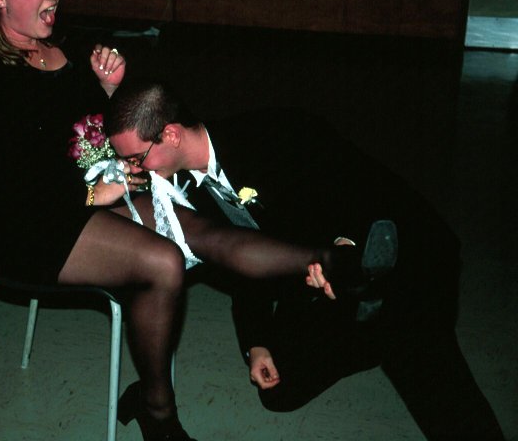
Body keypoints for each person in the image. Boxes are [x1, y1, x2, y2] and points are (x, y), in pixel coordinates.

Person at [0, 0, 394, 440]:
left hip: (86, 206)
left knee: (201, 231)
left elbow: (87, 135)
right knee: (163, 261)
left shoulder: (61, 46)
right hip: (28, 228)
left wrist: (108, 90)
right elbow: (10, 183)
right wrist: (92, 194)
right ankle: (158, 414)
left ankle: (334, 261)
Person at [104, 79, 506, 440]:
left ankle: (388, 329)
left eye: (138, 158)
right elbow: (242, 260)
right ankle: (369, 334)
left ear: (171, 135)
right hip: (318, 282)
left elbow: (358, 189)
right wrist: (256, 342)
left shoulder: (277, 131)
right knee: (279, 391)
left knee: (435, 381)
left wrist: (345, 245)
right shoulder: (183, 191)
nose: (133, 169)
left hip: (405, 254)